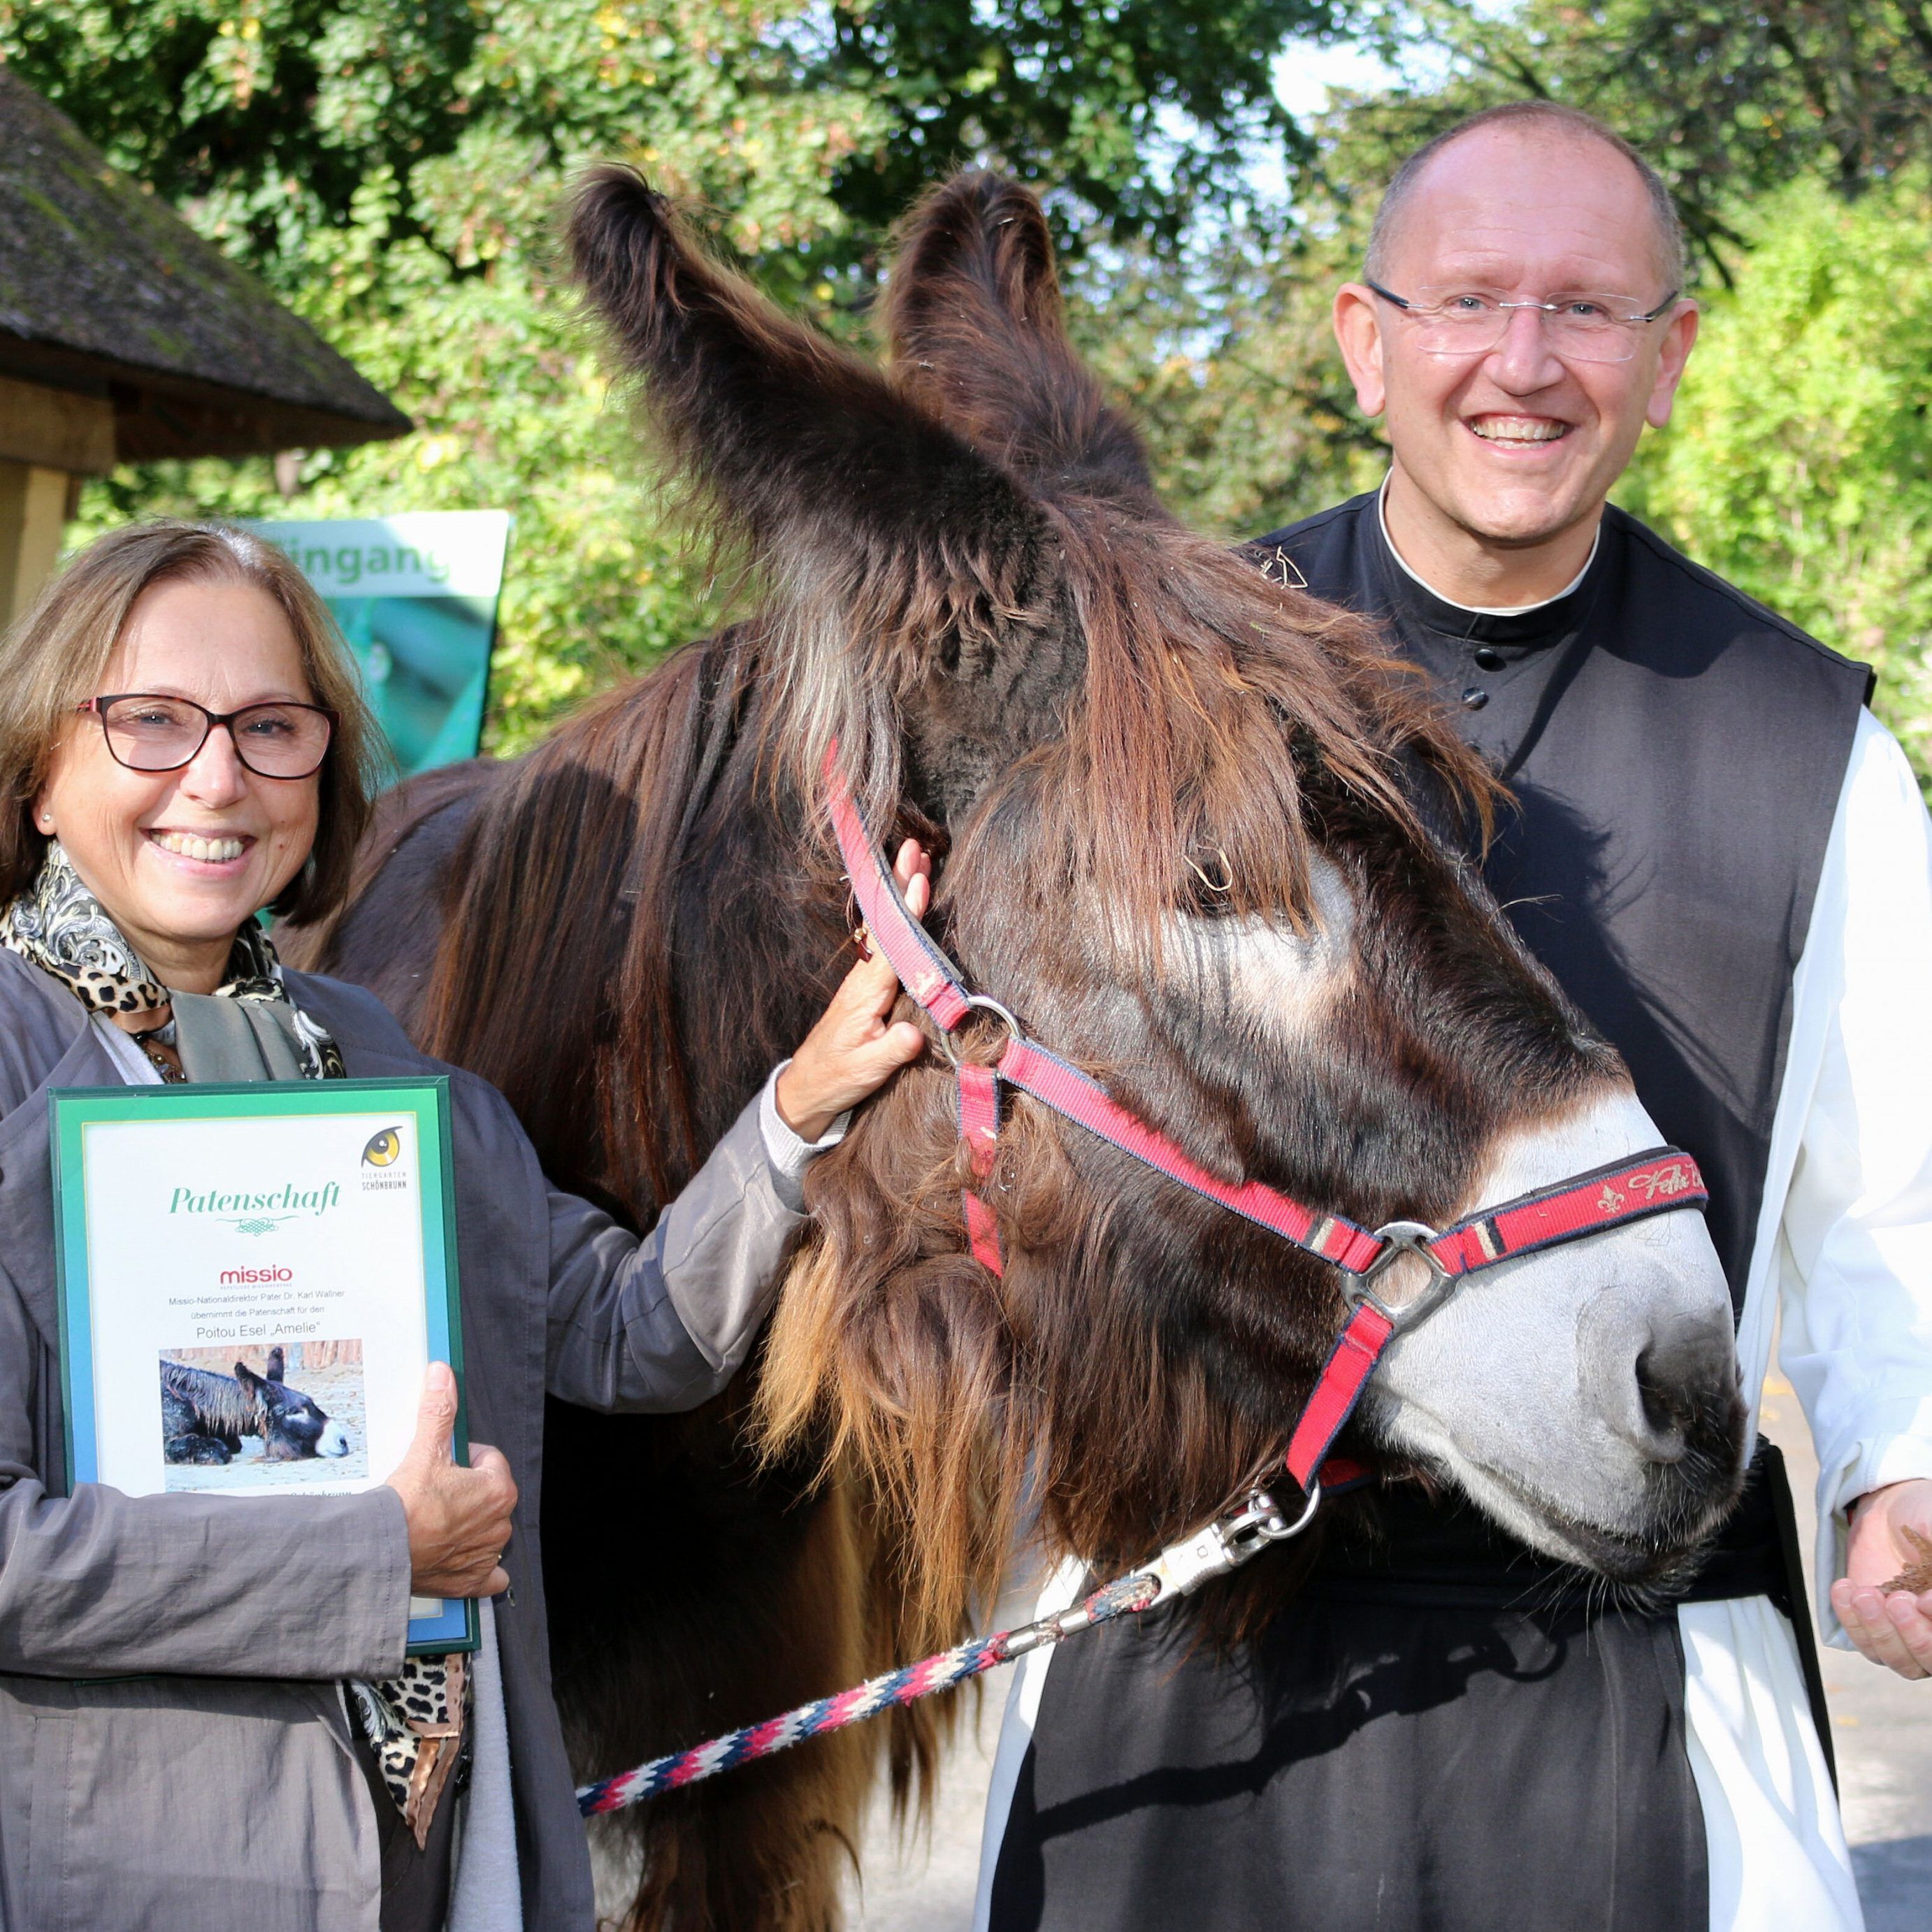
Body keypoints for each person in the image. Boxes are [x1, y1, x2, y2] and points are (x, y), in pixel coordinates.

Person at [977, 103, 1932, 1932]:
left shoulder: (1814, 751)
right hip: (1191, 1645)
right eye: (1469, 298)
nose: (1521, 360)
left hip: (1632, 1658)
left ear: (1668, 358)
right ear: (1365, 341)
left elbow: (1893, 1188)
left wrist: (1897, 1465)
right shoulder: (1145, 698)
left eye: (1584, 309)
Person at [0, 519, 932, 1931]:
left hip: (433, 1865)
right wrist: (380, 1554)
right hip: (131, 1871)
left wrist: (801, 1104)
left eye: (271, 724)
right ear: (40, 776)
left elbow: (631, 1333)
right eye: (149, 720)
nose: (216, 774)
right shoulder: (11, 1063)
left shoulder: (368, 1065)